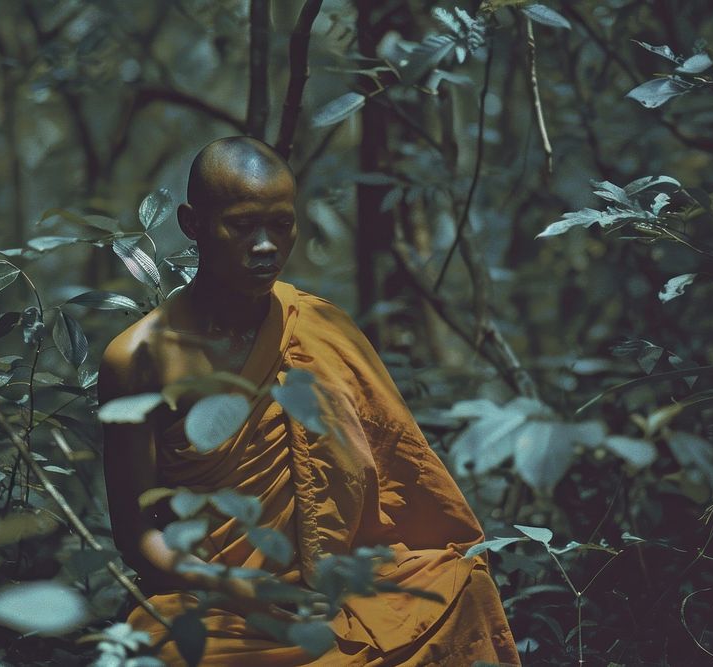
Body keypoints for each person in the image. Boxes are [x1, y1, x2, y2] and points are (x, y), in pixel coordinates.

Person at [99, 137, 519, 666]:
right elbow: (137, 538)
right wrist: (238, 588)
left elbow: (396, 478)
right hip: (219, 604)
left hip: (336, 583)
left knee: (462, 587)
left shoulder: (318, 328)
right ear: (192, 223)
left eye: (281, 224)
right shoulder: (138, 357)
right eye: (243, 225)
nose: (266, 245)